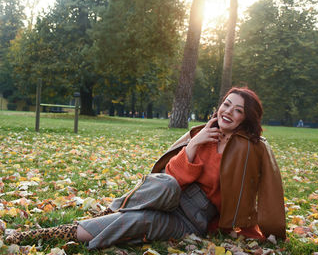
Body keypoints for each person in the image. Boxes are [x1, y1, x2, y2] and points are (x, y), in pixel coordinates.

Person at [5, 87, 286, 249]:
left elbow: (257, 195)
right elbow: (169, 177)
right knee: (166, 184)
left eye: (238, 110)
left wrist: (256, 231)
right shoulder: (201, 134)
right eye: (227, 104)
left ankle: (44, 234)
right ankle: (112, 210)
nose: (229, 112)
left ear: (245, 118)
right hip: (169, 196)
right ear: (219, 106)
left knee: (137, 221)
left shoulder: (250, 149)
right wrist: (193, 144)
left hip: (193, 219)